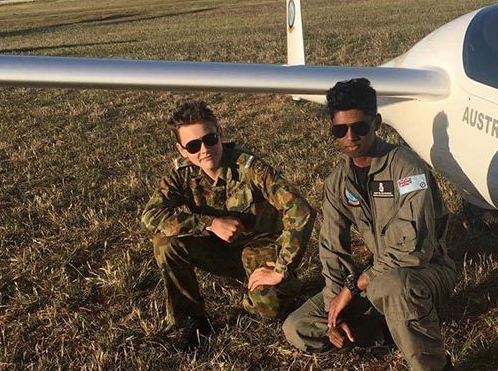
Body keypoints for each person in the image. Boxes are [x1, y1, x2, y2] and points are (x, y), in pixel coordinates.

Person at [282, 79, 456, 371]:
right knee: (298, 327)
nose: (351, 137)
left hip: (424, 272)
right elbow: (332, 249)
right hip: (375, 280)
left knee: (392, 286)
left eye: (360, 127)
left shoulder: (406, 167)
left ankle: (434, 365)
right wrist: (332, 311)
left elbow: (412, 250)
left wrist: (351, 289)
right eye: (340, 130)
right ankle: (389, 330)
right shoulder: (338, 181)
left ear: (376, 123)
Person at [141, 100, 315, 350]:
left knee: (271, 306)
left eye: (210, 139)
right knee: (166, 244)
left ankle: (278, 288)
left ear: (220, 134)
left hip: (260, 248)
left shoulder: (249, 167)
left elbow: (300, 209)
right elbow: (150, 216)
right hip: (218, 249)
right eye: (193, 145)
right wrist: (209, 223)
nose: (204, 149)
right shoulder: (182, 176)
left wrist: (282, 268)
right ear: (182, 150)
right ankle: (195, 318)